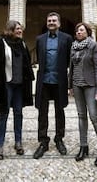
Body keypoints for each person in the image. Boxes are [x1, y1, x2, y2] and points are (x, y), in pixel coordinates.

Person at [0, 20, 35, 160]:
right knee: (3, 114)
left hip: (20, 86)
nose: (20, 31)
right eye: (17, 29)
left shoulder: (22, 44)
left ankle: (18, 142)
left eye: (21, 29)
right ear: (10, 30)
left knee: (18, 113)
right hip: (6, 85)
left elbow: (27, 63)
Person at [33, 12, 73, 159]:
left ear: (59, 23)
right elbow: (39, 57)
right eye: (49, 20)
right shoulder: (40, 39)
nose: (51, 22)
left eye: (54, 20)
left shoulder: (67, 38)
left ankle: (59, 139)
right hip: (44, 81)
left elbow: (70, 59)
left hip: (59, 81)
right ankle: (43, 141)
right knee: (42, 113)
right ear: (47, 22)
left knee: (59, 111)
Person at [68, 22, 97, 167]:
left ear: (88, 32)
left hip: (91, 85)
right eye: (77, 30)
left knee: (94, 116)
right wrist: (70, 85)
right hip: (77, 85)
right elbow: (71, 67)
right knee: (81, 116)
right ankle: (83, 147)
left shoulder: (93, 46)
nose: (78, 32)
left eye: (81, 30)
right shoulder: (73, 47)